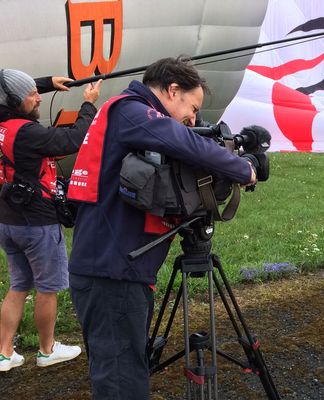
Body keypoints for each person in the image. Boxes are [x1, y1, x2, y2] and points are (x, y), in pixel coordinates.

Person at [67, 57, 257, 399]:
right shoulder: (131, 111)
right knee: (122, 384)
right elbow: (185, 142)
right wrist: (244, 170)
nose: (193, 119)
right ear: (172, 90)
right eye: (193, 107)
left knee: (122, 370)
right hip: (113, 275)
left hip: (115, 270)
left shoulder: (126, 115)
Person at [0, 69, 101, 372]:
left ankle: (4, 353)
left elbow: (12, 89)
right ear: (15, 102)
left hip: (7, 220)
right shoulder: (29, 134)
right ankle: (47, 349)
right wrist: (89, 105)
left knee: (18, 284)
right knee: (47, 287)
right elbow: (73, 139)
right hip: (37, 223)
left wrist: (44, 83)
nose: (36, 98)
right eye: (31, 95)